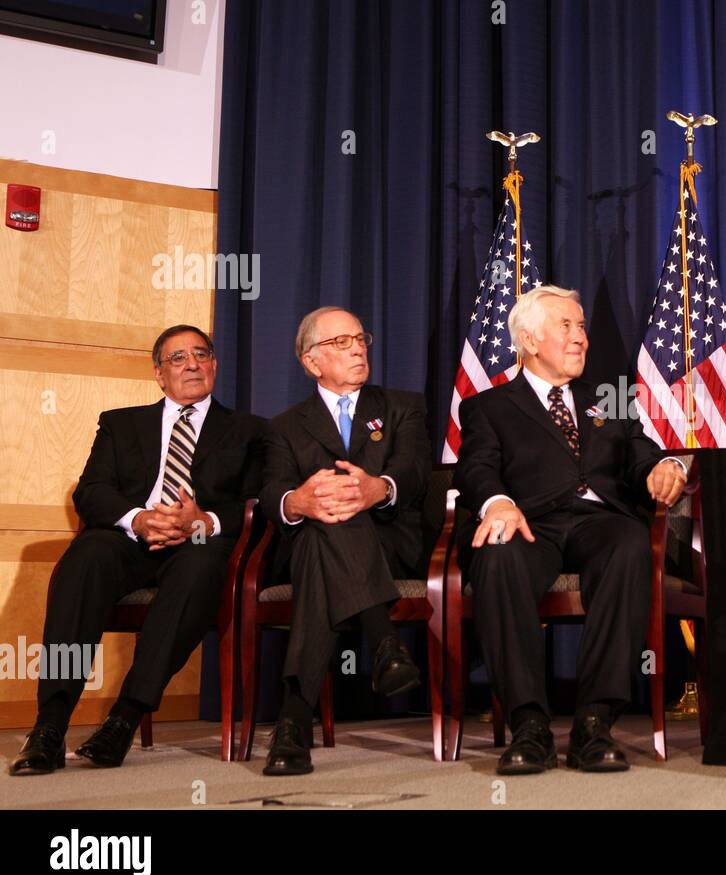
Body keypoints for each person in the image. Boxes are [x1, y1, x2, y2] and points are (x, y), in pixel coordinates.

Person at [8, 325, 265, 775]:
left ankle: (126, 716)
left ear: (214, 365)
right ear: (158, 374)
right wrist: (140, 519)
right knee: (85, 558)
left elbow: (258, 503)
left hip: (198, 542)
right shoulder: (120, 423)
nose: (191, 364)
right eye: (177, 358)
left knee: (201, 565)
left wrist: (202, 521)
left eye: (201, 354)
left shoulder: (250, 430)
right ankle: (49, 726)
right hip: (128, 540)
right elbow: (90, 493)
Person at [454, 284, 687, 775]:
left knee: (629, 545)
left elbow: (641, 452)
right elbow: (475, 470)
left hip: (599, 523)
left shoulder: (609, 397)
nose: (580, 337)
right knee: (498, 554)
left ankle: (595, 722)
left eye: (581, 326)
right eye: (566, 327)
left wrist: (665, 467)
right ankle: (529, 725)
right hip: (529, 522)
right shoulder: (489, 407)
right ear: (531, 341)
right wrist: (497, 504)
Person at [259, 307, 431, 776]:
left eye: (360, 338)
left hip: (391, 543)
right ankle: (385, 646)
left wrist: (379, 487)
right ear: (311, 361)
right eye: (341, 342)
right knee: (324, 523)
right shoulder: (284, 427)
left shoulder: (402, 406)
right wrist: (299, 501)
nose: (357, 347)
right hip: (314, 543)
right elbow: (274, 489)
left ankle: (294, 722)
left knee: (330, 527)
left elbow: (415, 472)